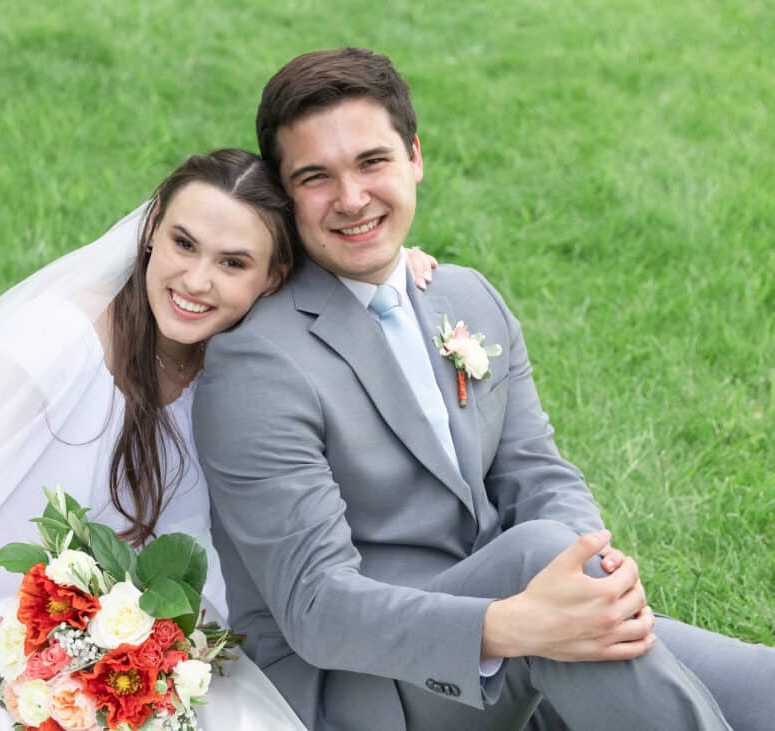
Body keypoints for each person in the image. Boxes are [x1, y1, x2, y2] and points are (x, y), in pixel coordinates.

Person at [0, 146, 439, 730]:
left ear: (273, 278)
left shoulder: (248, 373)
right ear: (150, 233)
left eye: (234, 264)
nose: (195, 281)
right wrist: (53, 650)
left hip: (153, 645)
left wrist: (387, 274)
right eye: (183, 243)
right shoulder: (52, 347)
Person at [193, 48, 775, 731]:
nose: (351, 198)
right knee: (535, 556)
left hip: (527, 621)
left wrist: (596, 569)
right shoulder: (258, 363)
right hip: (371, 686)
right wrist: (508, 623)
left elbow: (536, 467)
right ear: (286, 198)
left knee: (762, 685)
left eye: (372, 162)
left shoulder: (465, 296)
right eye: (316, 177)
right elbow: (318, 607)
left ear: (415, 156)